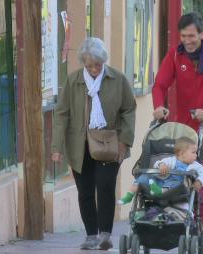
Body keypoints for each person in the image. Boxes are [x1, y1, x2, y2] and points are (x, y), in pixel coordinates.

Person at [151, 12, 203, 246]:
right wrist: (158, 106)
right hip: (185, 128)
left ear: (201, 34)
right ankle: (185, 218)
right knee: (183, 173)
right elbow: (161, 84)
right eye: (184, 36)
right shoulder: (176, 55)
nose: (187, 41)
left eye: (192, 36)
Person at [51, 37, 136, 250]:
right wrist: (56, 147)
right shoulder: (73, 81)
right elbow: (62, 114)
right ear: (83, 64)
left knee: (105, 186)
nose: (94, 69)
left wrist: (124, 141)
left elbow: (128, 109)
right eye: (89, 66)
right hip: (79, 145)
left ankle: (105, 234)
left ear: (104, 61)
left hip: (110, 144)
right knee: (86, 191)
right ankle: (91, 235)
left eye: (98, 65)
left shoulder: (117, 79)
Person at [118, 136, 203, 204]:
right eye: (193, 152)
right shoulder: (171, 160)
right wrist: (162, 165)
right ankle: (129, 195)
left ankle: (159, 191)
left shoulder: (195, 165)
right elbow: (159, 163)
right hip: (160, 181)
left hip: (176, 188)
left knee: (177, 183)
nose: (196, 155)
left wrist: (199, 181)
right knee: (143, 177)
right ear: (182, 153)